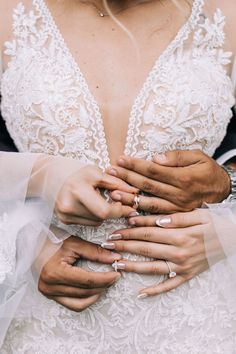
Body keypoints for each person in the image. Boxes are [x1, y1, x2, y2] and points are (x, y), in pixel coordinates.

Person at [0, 0, 236, 352]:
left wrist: (228, 222)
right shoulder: (10, 14)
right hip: (49, 325)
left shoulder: (223, 14)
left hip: (196, 320)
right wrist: (26, 237)